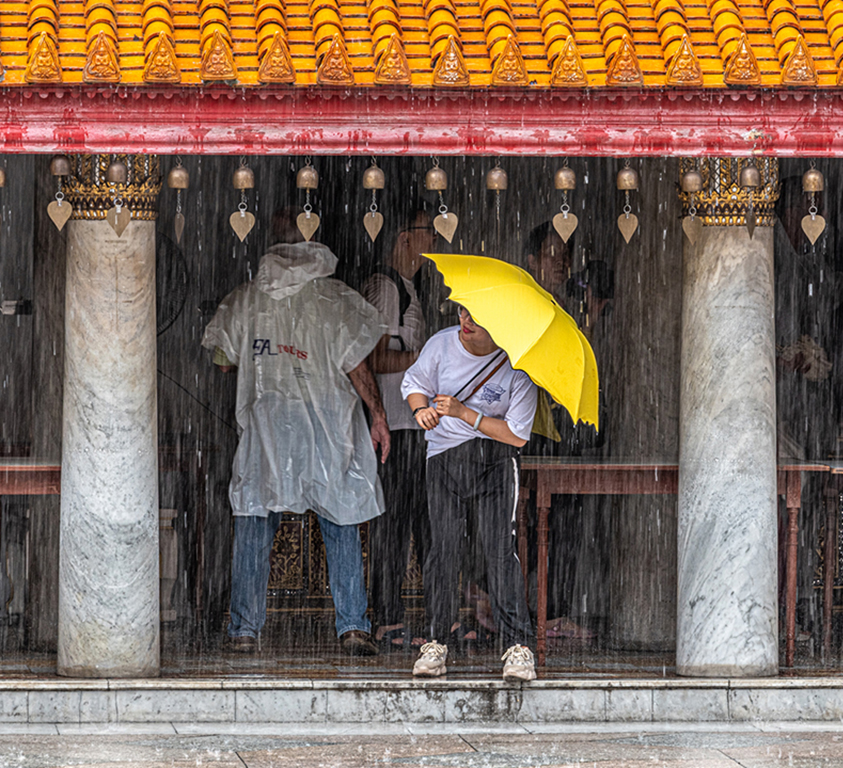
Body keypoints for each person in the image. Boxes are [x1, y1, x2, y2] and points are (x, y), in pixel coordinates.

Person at [202, 209, 390, 656]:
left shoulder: (245, 299)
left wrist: (265, 357)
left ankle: (244, 628)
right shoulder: (335, 299)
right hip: (327, 424)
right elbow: (356, 365)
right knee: (340, 518)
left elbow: (224, 361)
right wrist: (378, 414)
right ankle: (352, 627)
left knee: (254, 518)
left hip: (268, 422)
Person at [401, 305, 539, 681]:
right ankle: (435, 643)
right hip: (445, 459)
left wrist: (466, 414)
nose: (466, 323)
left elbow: (517, 434)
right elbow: (414, 383)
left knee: (500, 551)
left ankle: (518, 648)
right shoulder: (442, 344)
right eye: (463, 313)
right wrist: (420, 412)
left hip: (495, 462)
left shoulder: (519, 367)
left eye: (476, 319)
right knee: (443, 550)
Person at [522, 222, 613, 641]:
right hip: (532, 429)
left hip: (568, 430)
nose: (560, 261)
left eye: (564, 254)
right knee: (529, 523)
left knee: (566, 525)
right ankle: (530, 611)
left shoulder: (570, 308)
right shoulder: (528, 308)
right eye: (550, 253)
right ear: (531, 261)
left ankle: (552, 610)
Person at [361, 203, 435, 651]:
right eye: (429, 233)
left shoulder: (410, 288)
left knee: (422, 524)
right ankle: (386, 616)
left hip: (416, 426)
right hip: (395, 425)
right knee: (393, 526)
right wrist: (428, 361)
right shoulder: (386, 288)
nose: (435, 243)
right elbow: (374, 359)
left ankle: (430, 615)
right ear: (404, 238)